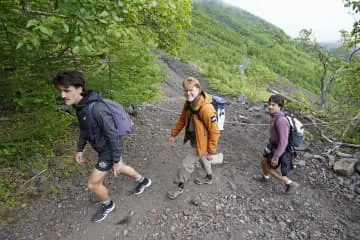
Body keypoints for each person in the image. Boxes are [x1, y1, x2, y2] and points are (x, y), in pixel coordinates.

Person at [53, 70, 151, 223]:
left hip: (108, 151)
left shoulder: (97, 109)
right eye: (61, 91)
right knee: (121, 168)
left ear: (79, 89)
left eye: (67, 90)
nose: (63, 95)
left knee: (93, 184)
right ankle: (143, 181)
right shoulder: (80, 107)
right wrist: (80, 149)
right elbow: (84, 130)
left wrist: (116, 159)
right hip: (103, 149)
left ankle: (108, 205)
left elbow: (113, 136)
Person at [167, 77, 223, 199]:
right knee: (204, 158)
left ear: (198, 89)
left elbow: (215, 131)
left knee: (185, 165)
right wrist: (173, 134)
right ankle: (209, 177)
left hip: (201, 143)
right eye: (185, 90)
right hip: (195, 139)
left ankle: (179, 187)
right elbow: (182, 120)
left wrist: (212, 151)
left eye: (191, 90)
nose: (188, 93)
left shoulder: (206, 109)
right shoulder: (188, 104)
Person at [256, 94, 299, 194]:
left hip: (280, 149)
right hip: (272, 145)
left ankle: (290, 183)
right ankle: (265, 177)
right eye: (269, 104)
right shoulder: (274, 117)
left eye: (273, 105)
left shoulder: (281, 121)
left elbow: (284, 141)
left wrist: (276, 156)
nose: (270, 107)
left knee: (269, 167)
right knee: (263, 161)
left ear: (280, 106)